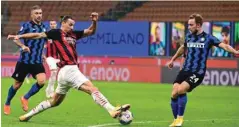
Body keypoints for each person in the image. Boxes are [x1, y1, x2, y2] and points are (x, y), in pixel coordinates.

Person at [8, 13, 130, 122]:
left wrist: (94, 22)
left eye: (73, 25)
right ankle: (112, 110)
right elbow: (37, 35)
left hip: (64, 73)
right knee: (92, 88)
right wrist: (20, 36)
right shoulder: (55, 33)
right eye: (70, 25)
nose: (72, 27)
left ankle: (28, 115)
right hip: (69, 69)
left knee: (55, 102)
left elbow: (90, 32)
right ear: (64, 23)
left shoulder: (73, 34)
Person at [167, 13, 239, 127]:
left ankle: (180, 119)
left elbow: (224, 46)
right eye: (188, 25)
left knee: (181, 89)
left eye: (191, 25)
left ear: (199, 25)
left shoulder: (208, 38)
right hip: (185, 69)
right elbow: (183, 48)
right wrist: (173, 59)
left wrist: (235, 52)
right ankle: (175, 121)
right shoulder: (189, 36)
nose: (189, 27)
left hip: (198, 72)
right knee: (174, 92)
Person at [4, 5, 48, 115]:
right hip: (25, 60)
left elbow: (41, 42)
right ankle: (7, 103)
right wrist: (22, 46)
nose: (39, 15)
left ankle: (25, 97)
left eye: (40, 13)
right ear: (32, 15)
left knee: (42, 81)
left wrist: (42, 54)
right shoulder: (26, 26)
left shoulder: (43, 27)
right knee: (17, 85)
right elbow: (16, 39)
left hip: (37, 61)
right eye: (36, 13)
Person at [45, 20, 59, 98]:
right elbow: (43, 44)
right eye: (51, 24)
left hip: (57, 58)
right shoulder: (47, 34)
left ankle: (50, 90)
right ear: (50, 25)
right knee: (53, 72)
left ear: (56, 25)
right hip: (49, 57)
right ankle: (50, 90)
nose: (52, 25)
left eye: (54, 24)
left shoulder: (59, 34)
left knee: (54, 75)